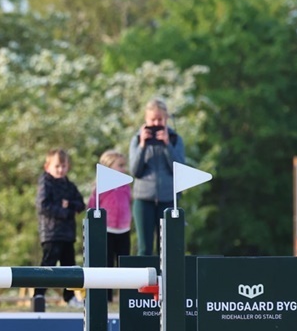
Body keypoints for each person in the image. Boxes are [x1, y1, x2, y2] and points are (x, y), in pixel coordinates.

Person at [128, 98, 185, 256]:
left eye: (160, 119)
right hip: (143, 199)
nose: (156, 123)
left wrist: (167, 145)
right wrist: (142, 146)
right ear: (146, 119)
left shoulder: (175, 139)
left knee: (166, 248)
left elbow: (179, 169)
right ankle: (144, 273)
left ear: (166, 118)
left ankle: (166, 273)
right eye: (152, 119)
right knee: (144, 248)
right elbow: (135, 170)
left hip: (168, 199)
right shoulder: (137, 139)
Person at [33, 148, 86, 311]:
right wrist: (65, 212)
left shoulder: (69, 185)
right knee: (48, 265)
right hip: (51, 233)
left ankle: (69, 297)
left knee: (69, 266)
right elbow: (43, 206)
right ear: (47, 166)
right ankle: (38, 295)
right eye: (57, 166)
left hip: (68, 233)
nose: (60, 170)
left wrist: (68, 205)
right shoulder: (45, 184)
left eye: (63, 166)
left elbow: (80, 204)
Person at [87, 150, 132, 301]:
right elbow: (92, 207)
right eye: (120, 165)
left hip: (123, 229)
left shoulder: (126, 185)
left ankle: (125, 297)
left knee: (124, 263)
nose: (124, 169)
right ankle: (106, 296)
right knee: (107, 263)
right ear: (108, 167)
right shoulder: (100, 187)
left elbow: (128, 202)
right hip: (106, 229)